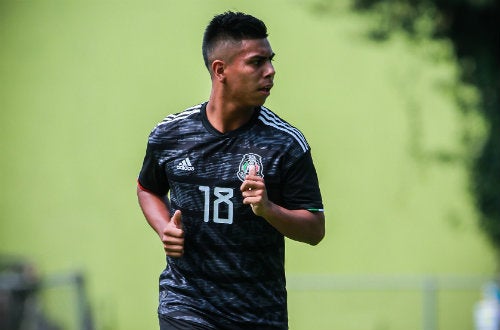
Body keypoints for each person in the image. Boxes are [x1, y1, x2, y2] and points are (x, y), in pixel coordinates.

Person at [137, 11, 325, 330]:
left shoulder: (285, 143)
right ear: (220, 69)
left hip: (258, 316)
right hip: (185, 304)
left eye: (271, 60)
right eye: (256, 62)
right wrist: (163, 227)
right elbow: (148, 188)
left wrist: (269, 210)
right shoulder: (171, 135)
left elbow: (314, 229)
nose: (270, 71)